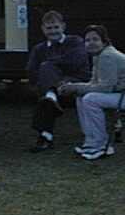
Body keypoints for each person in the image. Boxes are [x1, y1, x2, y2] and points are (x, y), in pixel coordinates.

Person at [58, 24, 125, 161]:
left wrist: (75, 87)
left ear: (104, 41)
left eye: (95, 39)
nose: (91, 43)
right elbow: (93, 84)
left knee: (90, 99)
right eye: (87, 40)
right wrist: (73, 86)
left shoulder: (107, 56)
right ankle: (91, 142)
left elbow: (105, 88)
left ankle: (101, 145)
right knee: (81, 96)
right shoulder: (98, 56)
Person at [25, 10, 90, 153]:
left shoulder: (75, 41)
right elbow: (31, 71)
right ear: (43, 29)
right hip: (49, 84)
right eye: (49, 28)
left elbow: (75, 63)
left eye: (56, 27)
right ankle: (51, 97)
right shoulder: (39, 49)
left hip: (76, 80)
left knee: (46, 69)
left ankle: (45, 137)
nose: (53, 31)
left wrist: (51, 65)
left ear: (63, 27)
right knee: (47, 91)